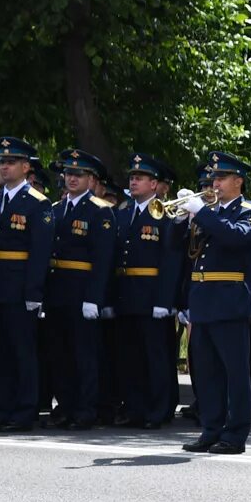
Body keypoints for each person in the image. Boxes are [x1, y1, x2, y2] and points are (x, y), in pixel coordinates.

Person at [176, 153, 251, 453]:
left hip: (229, 301)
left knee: (235, 372)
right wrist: (181, 222)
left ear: (238, 181)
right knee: (206, 372)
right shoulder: (208, 212)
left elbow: (235, 238)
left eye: (221, 178)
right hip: (202, 300)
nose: (215, 183)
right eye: (213, 178)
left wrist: (202, 213)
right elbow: (186, 253)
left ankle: (235, 434)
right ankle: (211, 429)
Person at [0, 138, 54, 432]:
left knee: (22, 351)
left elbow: (40, 253)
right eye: (1, 163)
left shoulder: (38, 203)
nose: (3, 167)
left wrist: (34, 292)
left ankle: (24, 411)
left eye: (10, 163)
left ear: (25, 167)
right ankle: (3, 407)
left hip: (20, 288)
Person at [44, 151, 116, 430]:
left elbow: (103, 259)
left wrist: (93, 298)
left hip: (82, 290)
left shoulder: (100, 210)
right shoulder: (56, 208)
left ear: (91, 179)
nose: (72, 179)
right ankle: (66, 405)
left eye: (79, 175)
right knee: (59, 352)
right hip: (57, 289)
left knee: (84, 354)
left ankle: (86, 409)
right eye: (68, 174)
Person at [109, 154, 182, 428]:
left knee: (157, 357)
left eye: (139, 178)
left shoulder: (165, 213)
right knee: (130, 356)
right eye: (131, 178)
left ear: (154, 184)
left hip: (152, 296)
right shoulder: (124, 212)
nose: (133, 182)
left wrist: (165, 300)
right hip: (127, 294)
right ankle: (136, 408)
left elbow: (170, 260)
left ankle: (159, 409)